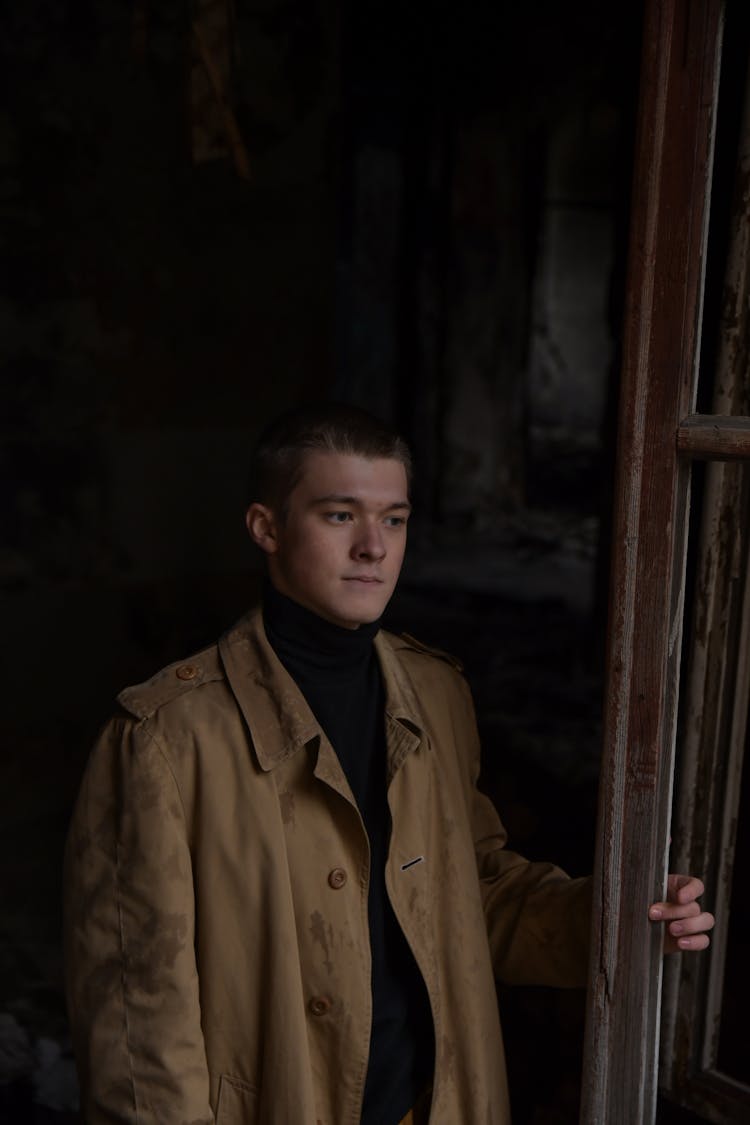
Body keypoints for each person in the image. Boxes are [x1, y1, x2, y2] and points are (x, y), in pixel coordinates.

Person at [63, 403, 714, 1125]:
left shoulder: (435, 693)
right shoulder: (162, 739)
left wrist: (624, 917)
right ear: (266, 527)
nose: (374, 546)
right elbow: (140, 1030)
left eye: (394, 518)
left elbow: (477, 896)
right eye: (341, 515)